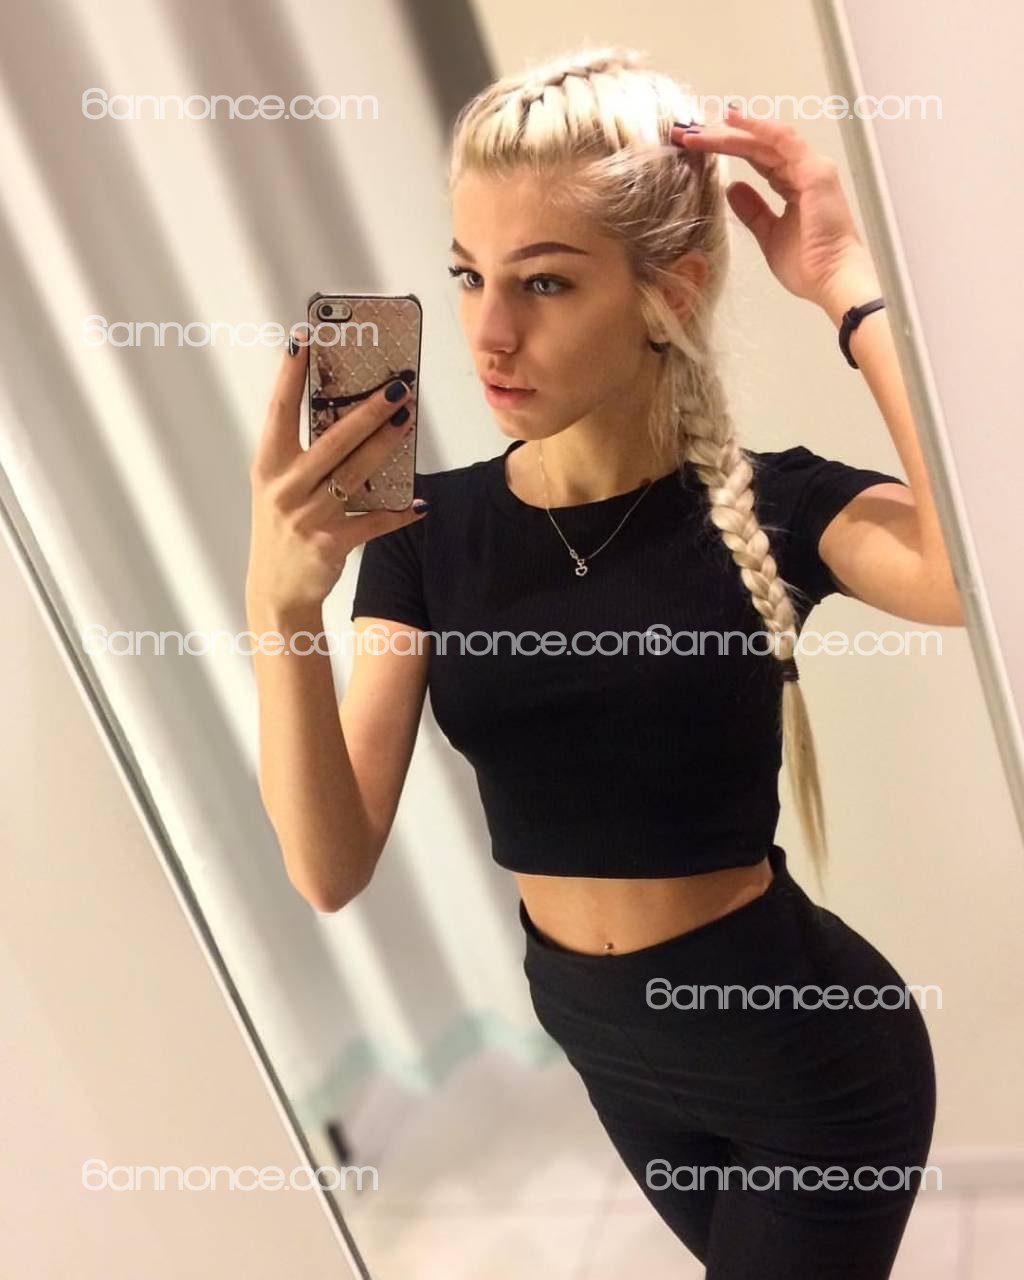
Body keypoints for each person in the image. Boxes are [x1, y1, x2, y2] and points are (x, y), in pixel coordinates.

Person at [247, 45, 961, 1278]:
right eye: (467, 275)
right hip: (614, 1055)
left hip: (808, 1065)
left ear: (668, 290)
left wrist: (845, 284)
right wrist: (280, 604)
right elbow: (328, 863)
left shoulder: (777, 506)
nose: (489, 331)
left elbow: (978, 575)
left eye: (545, 281)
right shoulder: (424, 532)